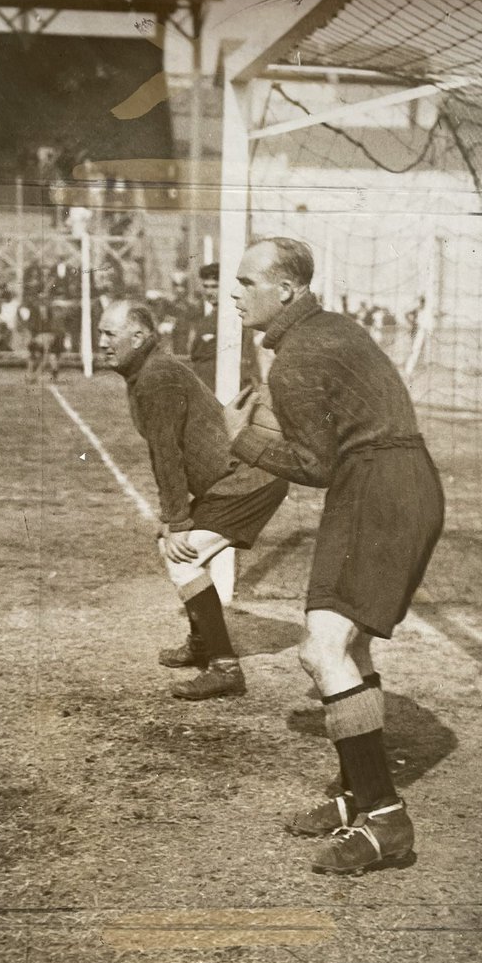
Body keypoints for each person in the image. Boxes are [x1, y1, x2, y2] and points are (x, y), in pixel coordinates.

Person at [226, 237, 444, 876]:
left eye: (246, 282)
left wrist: (241, 440)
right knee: (348, 647)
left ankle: (383, 819)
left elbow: (317, 465)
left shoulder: (293, 362)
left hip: (378, 488)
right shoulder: (335, 327)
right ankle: (355, 795)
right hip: (402, 482)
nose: (234, 294)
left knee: (321, 649)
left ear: (285, 290)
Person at [98, 300, 287, 701]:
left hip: (247, 480)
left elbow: (167, 455)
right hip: (232, 479)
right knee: (177, 550)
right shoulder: (146, 373)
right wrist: (174, 520)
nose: (102, 343)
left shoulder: (156, 377)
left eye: (109, 334)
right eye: (101, 333)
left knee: (179, 557)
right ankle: (203, 646)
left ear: (139, 337)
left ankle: (224, 667)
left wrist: (178, 522)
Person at [188, 262, 220, 389]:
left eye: (214, 286)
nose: (209, 292)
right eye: (206, 287)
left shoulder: (229, 320)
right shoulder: (207, 318)